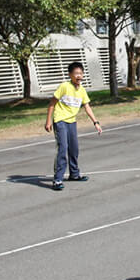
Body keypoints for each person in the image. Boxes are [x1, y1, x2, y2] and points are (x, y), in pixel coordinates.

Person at [44, 61, 102, 191]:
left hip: (72, 122)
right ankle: (58, 179)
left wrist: (95, 122)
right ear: (70, 75)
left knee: (74, 149)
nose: (79, 76)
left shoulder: (82, 90)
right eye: (76, 73)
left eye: (81, 73)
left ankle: (74, 174)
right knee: (63, 149)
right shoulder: (64, 86)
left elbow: (87, 106)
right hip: (60, 121)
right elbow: (52, 104)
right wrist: (48, 121)